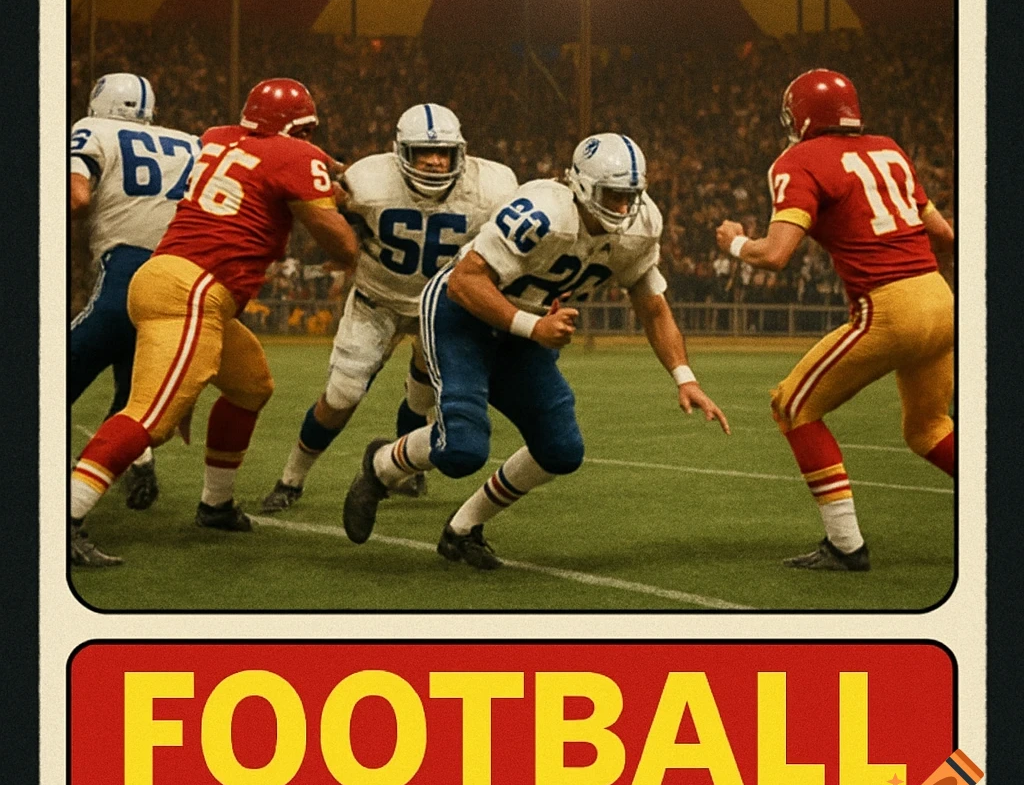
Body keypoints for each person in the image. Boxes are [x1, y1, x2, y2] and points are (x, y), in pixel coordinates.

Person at [342, 133, 729, 568]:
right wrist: (534, 326)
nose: (624, 208)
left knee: (560, 450)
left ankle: (462, 530)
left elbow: (652, 305)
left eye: (630, 196)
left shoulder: (642, 226)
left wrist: (685, 377)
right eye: (613, 196)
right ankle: (380, 465)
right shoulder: (544, 211)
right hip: (461, 316)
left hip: (526, 331)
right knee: (463, 450)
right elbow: (465, 282)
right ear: (582, 186)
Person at [69, 78, 359, 567]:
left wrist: (324, 174)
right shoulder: (292, 155)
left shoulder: (218, 137)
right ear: (298, 127)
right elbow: (343, 247)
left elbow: (287, 160)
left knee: (250, 385)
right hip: (194, 290)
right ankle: (66, 519)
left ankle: (216, 504)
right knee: (149, 417)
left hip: (172, 280)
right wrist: (342, 202)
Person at [715, 68, 954, 573]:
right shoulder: (889, 148)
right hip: (939, 298)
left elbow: (777, 254)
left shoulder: (799, 159)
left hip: (889, 307)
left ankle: (845, 544)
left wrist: (735, 242)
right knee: (930, 429)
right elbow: (944, 234)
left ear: (800, 115)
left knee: (790, 405)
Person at [262, 104, 517, 511]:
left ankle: (401, 471)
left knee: (426, 398)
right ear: (402, 151)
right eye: (422, 152)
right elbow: (328, 214)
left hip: (441, 305)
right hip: (376, 298)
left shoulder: (494, 187)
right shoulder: (367, 179)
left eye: (443, 153)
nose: (434, 161)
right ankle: (292, 479)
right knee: (341, 395)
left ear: (460, 152)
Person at [70, 74, 201, 511]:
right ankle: (136, 460)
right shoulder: (189, 142)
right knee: (134, 399)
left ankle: (62, 508)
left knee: (47, 382)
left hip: (126, 272)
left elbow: (77, 196)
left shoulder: (93, 130)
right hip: (179, 277)